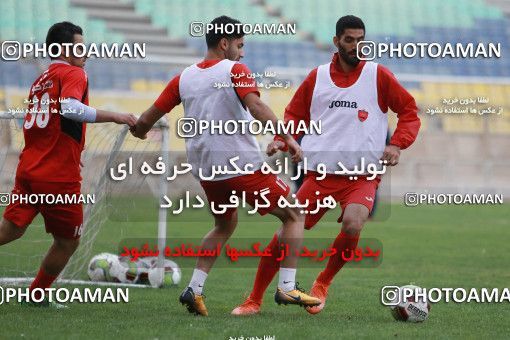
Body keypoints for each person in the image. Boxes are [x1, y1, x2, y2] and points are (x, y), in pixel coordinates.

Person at [130, 15, 321, 316]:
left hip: (208, 172)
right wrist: (288, 137)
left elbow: (146, 119)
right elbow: (256, 106)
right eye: (240, 45)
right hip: (242, 167)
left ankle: (194, 288)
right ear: (224, 43)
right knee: (295, 214)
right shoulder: (235, 69)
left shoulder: (184, 78)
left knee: (224, 224)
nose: (242, 52)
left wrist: (138, 129)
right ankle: (287, 286)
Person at [232, 15, 421, 315]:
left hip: (362, 175)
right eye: (349, 40)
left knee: (354, 222)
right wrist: (282, 140)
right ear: (336, 41)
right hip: (319, 176)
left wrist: (397, 143)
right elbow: (294, 115)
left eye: (361, 40)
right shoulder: (316, 77)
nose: (356, 46)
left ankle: (322, 283)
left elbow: (409, 111)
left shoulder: (379, 75)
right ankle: (254, 299)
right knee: (284, 236)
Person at [0, 21, 137, 308]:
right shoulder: (74, 72)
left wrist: (71, 151)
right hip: (56, 176)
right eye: (79, 46)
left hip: (30, 168)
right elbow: (70, 108)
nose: (85, 52)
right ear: (63, 48)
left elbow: (50, 124)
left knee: (11, 230)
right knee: (68, 242)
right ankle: (37, 295)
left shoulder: (42, 79)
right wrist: (117, 116)